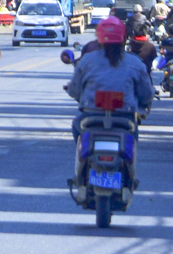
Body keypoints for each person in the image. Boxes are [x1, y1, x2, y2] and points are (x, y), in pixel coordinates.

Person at [64, 15, 154, 184]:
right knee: (133, 137)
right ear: (123, 39)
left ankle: (80, 172)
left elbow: (75, 90)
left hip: (91, 117)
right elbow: (147, 94)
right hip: (125, 119)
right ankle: (130, 177)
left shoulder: (87, 61)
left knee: (77, 126)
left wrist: (79, 96)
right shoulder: (135, 63)